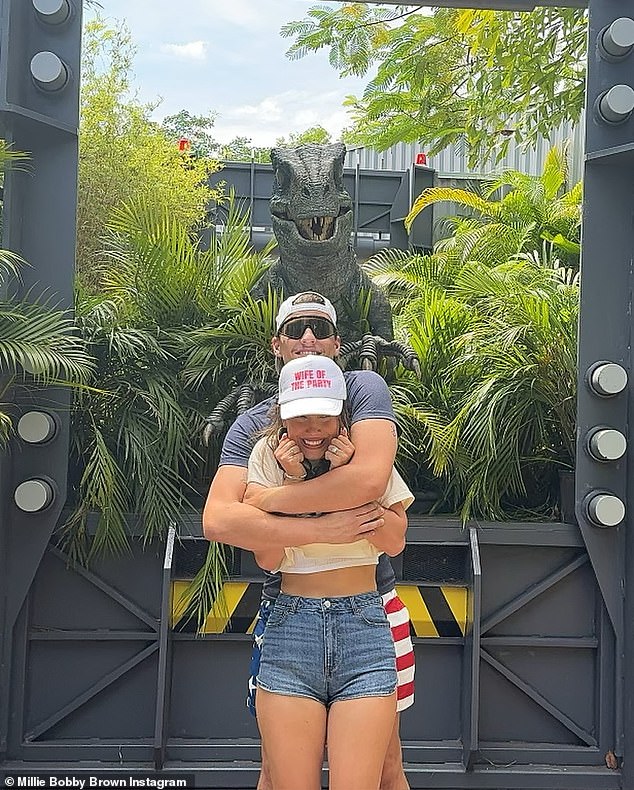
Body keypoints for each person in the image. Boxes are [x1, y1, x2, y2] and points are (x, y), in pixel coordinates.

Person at [203, 292, 415, 790]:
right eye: (296, 330)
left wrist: (270, 501)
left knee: (385, 766)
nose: (308, 339)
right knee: (277, 772)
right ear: (276, 344)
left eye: (319, 329)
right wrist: (313, 514)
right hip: (289, 609)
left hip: (371, 607)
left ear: (338, 343)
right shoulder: (257, 435)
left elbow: (385, 514)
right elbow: (227, 524)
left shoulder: (362, 397)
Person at [246, 355, 414, 790]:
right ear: (283, 413)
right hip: (292, 624)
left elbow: (395, 540)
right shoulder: (266, 455)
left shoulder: (362, 458)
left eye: (324, 414)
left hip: (363, 623)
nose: (314, 427)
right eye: (301, 416)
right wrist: (292, 482)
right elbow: (267, 558)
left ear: (342, 412)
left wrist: (344, 480)